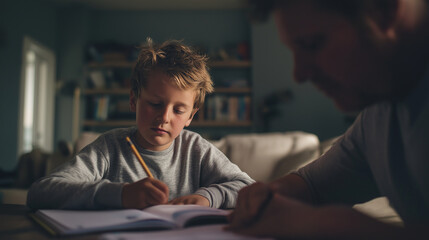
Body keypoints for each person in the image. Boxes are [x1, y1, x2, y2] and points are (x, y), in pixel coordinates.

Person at [227, 0, 429, 239]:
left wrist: (328, 224)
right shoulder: (379, 113)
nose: (299, 75)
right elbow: (312, 186)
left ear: (384, 10)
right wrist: (269, 194)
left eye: (312, 44)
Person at [27, 39, 254, 210]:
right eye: (155, 104)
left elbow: (248, 188)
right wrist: (121, 195)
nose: (164, 117)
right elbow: (41, 192)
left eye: (178, 110)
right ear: (134, 100)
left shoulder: (196, 149)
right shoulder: (110, 147)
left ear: (190, 117)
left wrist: (208, 197)